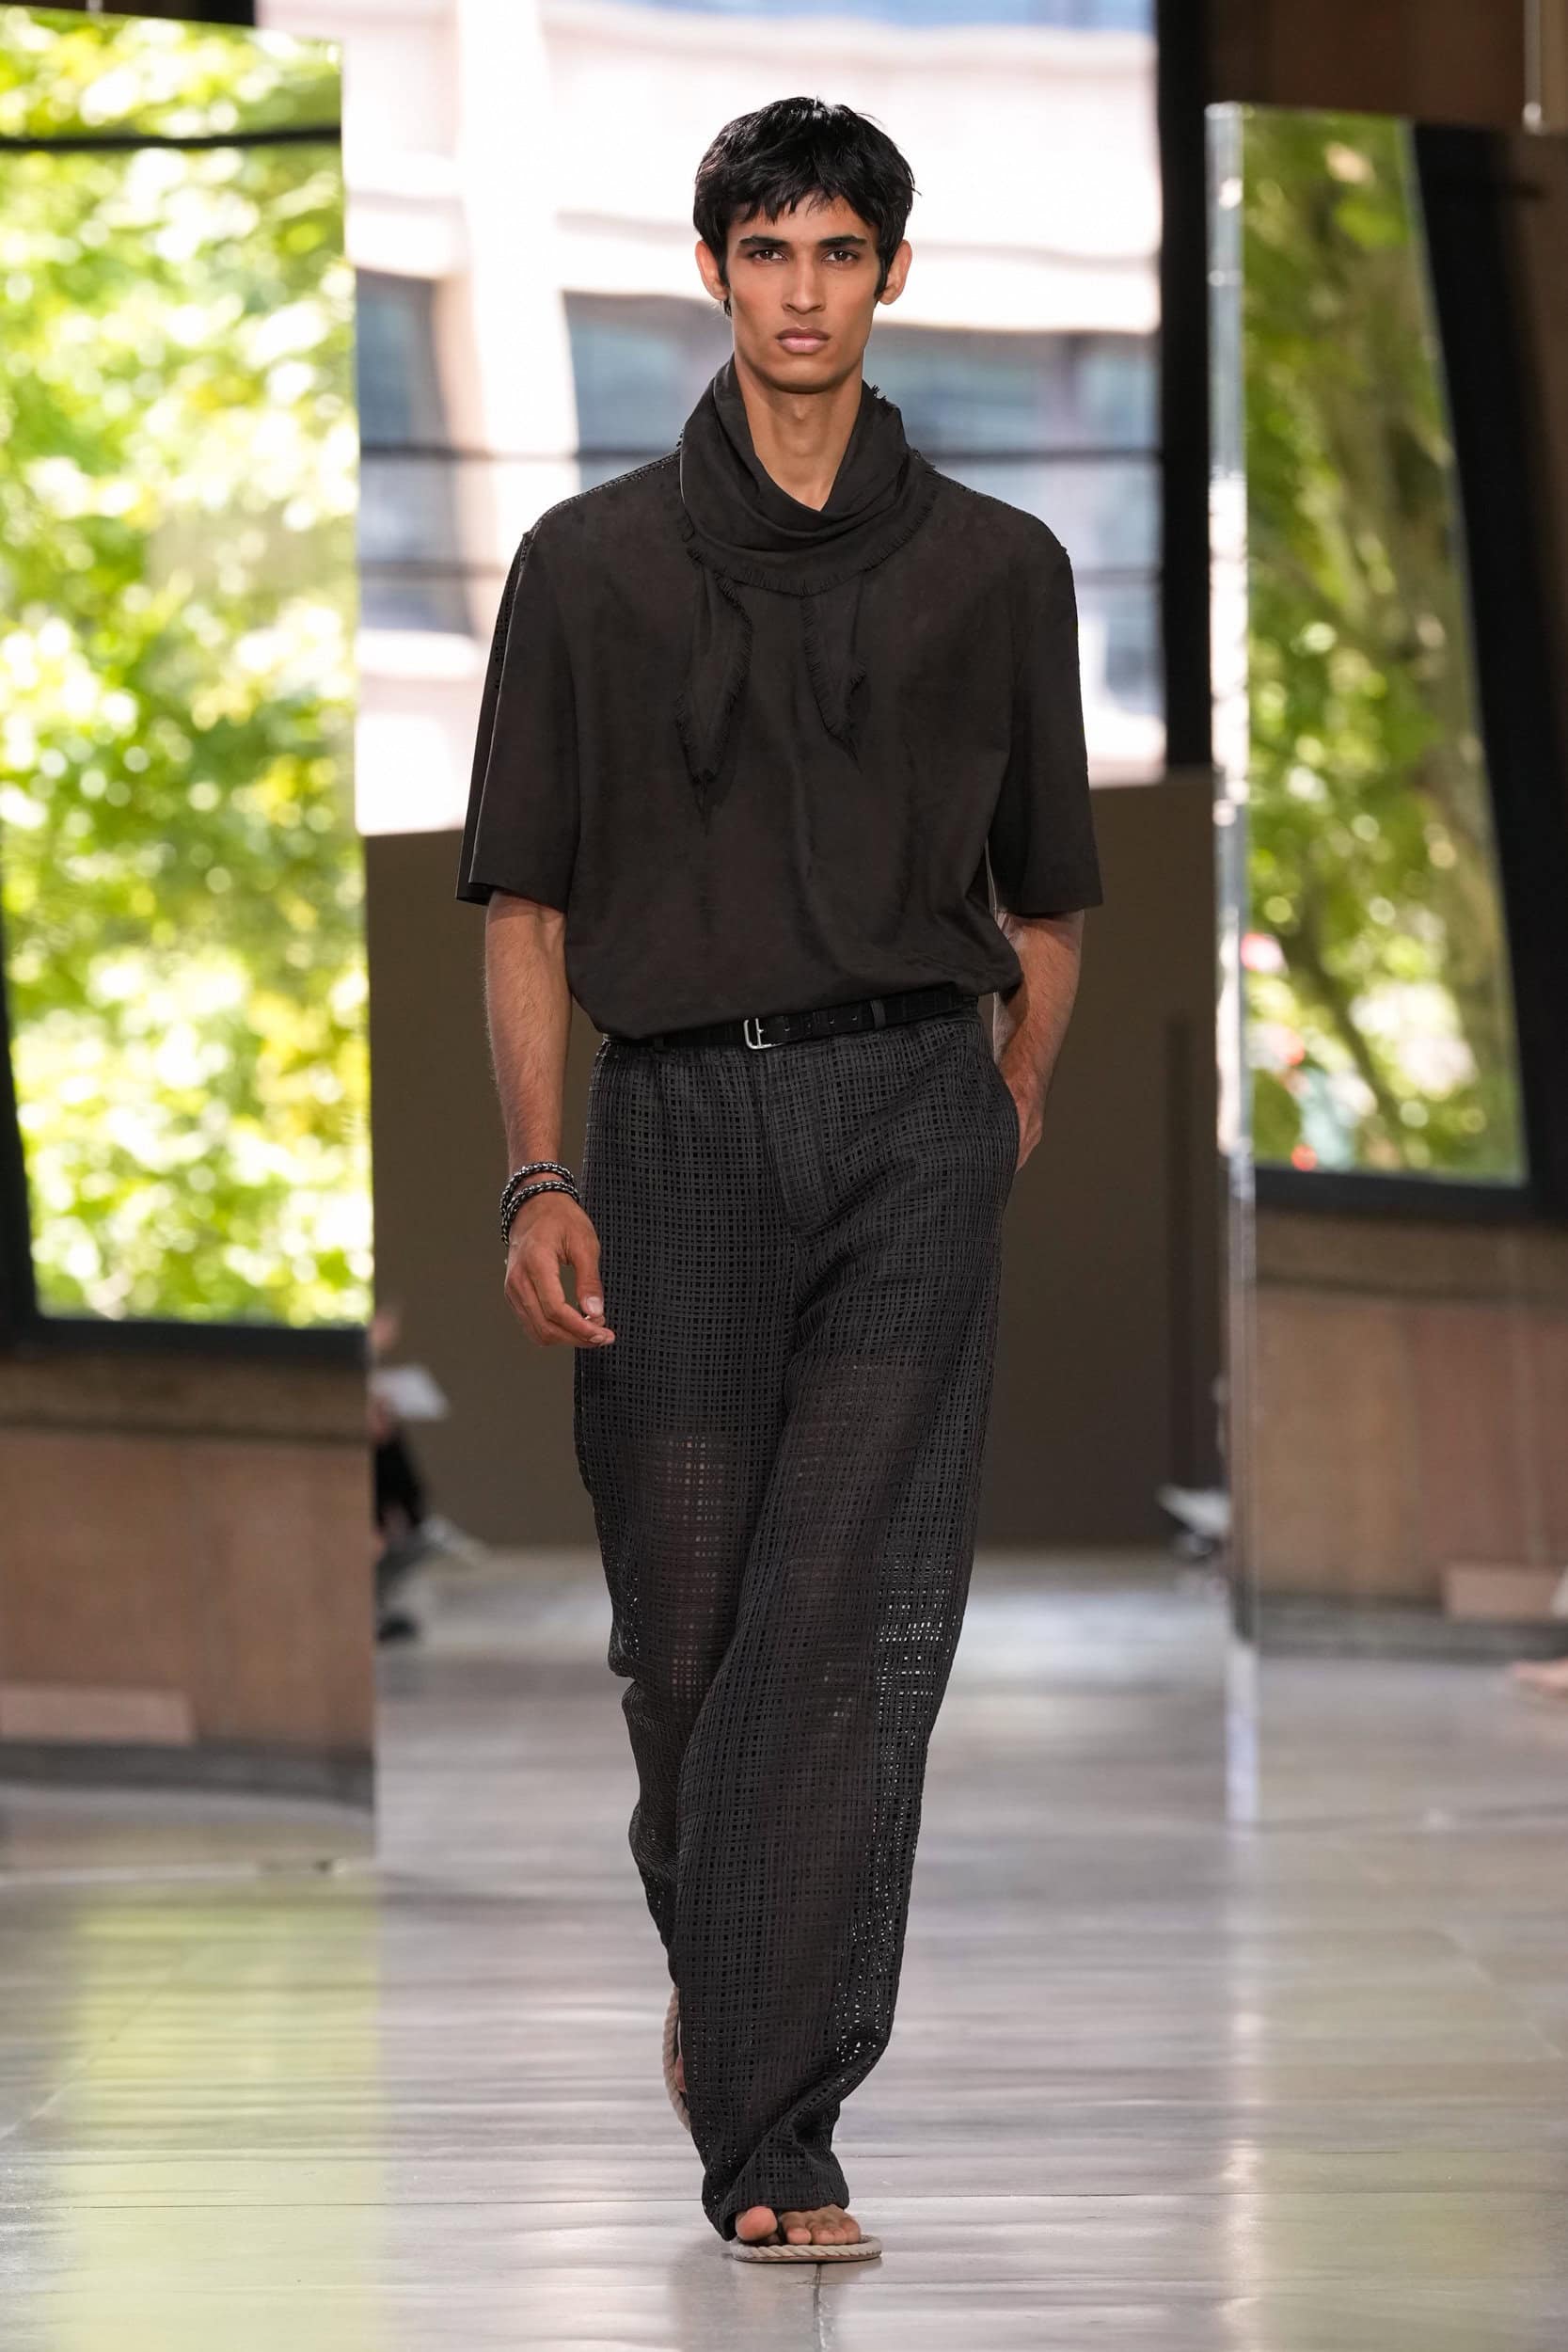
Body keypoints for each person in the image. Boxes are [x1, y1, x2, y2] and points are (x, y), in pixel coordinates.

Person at [455, 94, 1102, 2263]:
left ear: (891, 274)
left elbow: (1054, 901)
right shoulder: (588, 568)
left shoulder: (1001, 570)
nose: (803, 290)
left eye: (839, 251)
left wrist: (1007, 1097)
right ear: (714, 271)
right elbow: (525, 903)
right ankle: (732, 1979)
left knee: (848, 1620)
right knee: (688, 1644)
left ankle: (777, 2125)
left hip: (914, 1118)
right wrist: (539, 1169)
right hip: (672, 1133)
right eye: (767, 250)